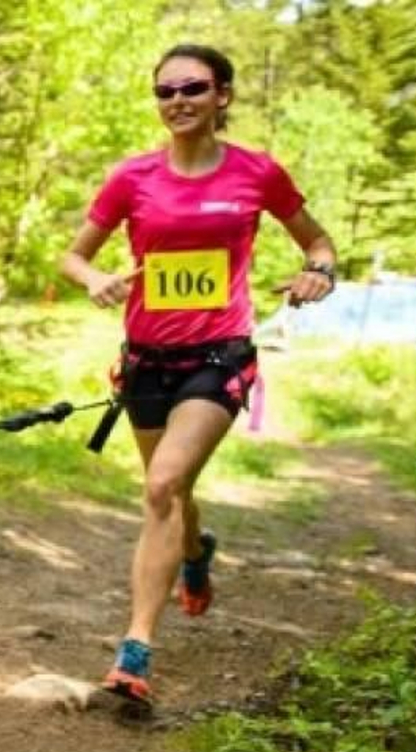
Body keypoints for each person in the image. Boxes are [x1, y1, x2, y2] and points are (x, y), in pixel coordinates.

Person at [59, 43, 336, 705]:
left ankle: (135, 650)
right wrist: (96, 278)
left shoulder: (258, 173)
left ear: (223, 96)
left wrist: (317, 273)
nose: (177, 100)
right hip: (145, 361)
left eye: (193, 88)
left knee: (162, 483)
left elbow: (318, 243)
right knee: (171, 495)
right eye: (165, 91)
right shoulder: (132, 178)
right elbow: (74, 258)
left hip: (219, 358)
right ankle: (193, 551)